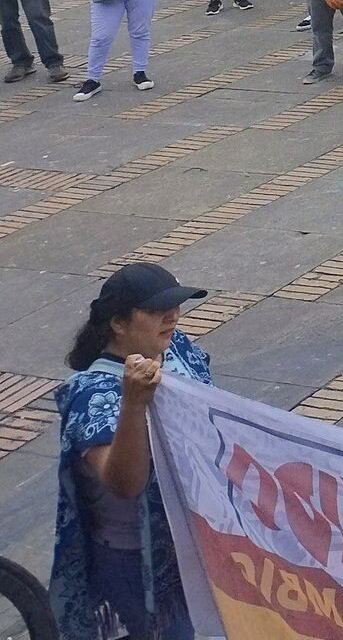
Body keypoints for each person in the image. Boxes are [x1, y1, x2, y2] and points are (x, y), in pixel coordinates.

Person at [51, 262, 212, 640]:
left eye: (176, 306)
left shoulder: (177, 349)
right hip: (136, 564)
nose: (173, 316)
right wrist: (134, 406)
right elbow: (123, 483)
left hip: (194, 545)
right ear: (118, 323)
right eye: (157, 309)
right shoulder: (93, 395)